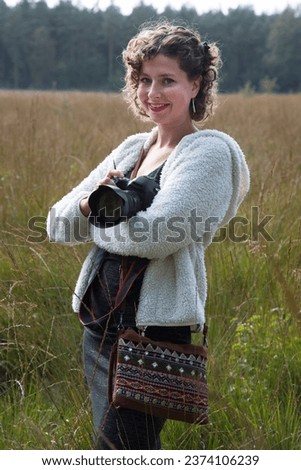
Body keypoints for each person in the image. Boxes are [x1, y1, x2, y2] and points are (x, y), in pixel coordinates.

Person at [47, 20, 250, 450]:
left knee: (126, 449)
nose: (152, 93)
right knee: (115, 447)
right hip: (98, 325)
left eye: (167, 81)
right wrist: (89, 206)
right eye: (143, 80)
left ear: (196, 85)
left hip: (151, 330)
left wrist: (97, 219)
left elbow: (158, 234)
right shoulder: (132, 148)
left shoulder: (210, 152)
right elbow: (57, 222)